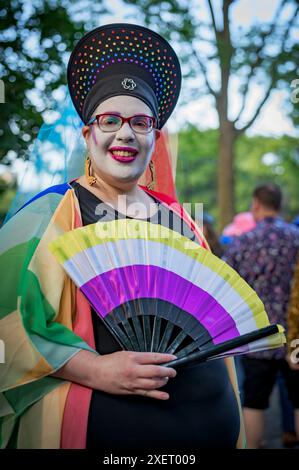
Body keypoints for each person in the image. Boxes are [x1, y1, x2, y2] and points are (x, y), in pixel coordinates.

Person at [0, 23, 244, 449]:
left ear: (155, 138)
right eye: (110, 119)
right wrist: (94, 369)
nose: (126, 133)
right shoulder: (49, 213)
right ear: (87, 133)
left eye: (141, 122)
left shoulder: (180, 221)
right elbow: (8, 324)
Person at [223, 183, 299, 448]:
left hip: (259, 336)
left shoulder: (244, 242)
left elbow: (226, 284)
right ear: (279, 204)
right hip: (295, 337)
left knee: (254, 401)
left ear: (256, 204)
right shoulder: (296, 238)